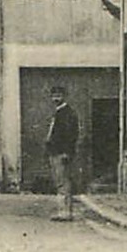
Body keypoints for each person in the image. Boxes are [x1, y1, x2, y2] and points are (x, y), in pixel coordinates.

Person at [46, 86, 79, 221]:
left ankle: (65, 212)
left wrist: (66, 152)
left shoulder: (68, 113)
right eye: (54, 96)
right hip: (55, 152)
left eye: (58, 95)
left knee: (63, 182)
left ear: (64, 96)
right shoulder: (59, 112)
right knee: (60, 181)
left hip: (61, 153)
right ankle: (63, 211)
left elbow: (71, 134)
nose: (56, 98)